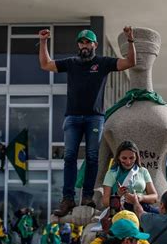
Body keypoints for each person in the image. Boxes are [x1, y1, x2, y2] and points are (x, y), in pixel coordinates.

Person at [38, 26, 137, 217]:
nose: (84, 45)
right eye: (81, 42)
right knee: (69, 158)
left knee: (92, 157)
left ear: (95, 44)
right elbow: (46, 64)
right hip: (72, 117)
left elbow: (130, 62)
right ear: (78, 45)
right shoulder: (72, 63)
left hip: (95, 118)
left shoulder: (103, 62)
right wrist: (43, 42)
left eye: (88, 42)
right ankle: (68, 199)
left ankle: (87, 197)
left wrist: (130, 41)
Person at [102, 140, 158, 213]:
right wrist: (117, 195)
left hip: (142, 209)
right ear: (118, 157)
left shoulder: (143, 171)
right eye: (124, 158)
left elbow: (155, 197)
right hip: (120, 211)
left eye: (131, 158)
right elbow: (105, 202)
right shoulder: (112, 173)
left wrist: (140, 198)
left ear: (136, 157)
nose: (128, 162)